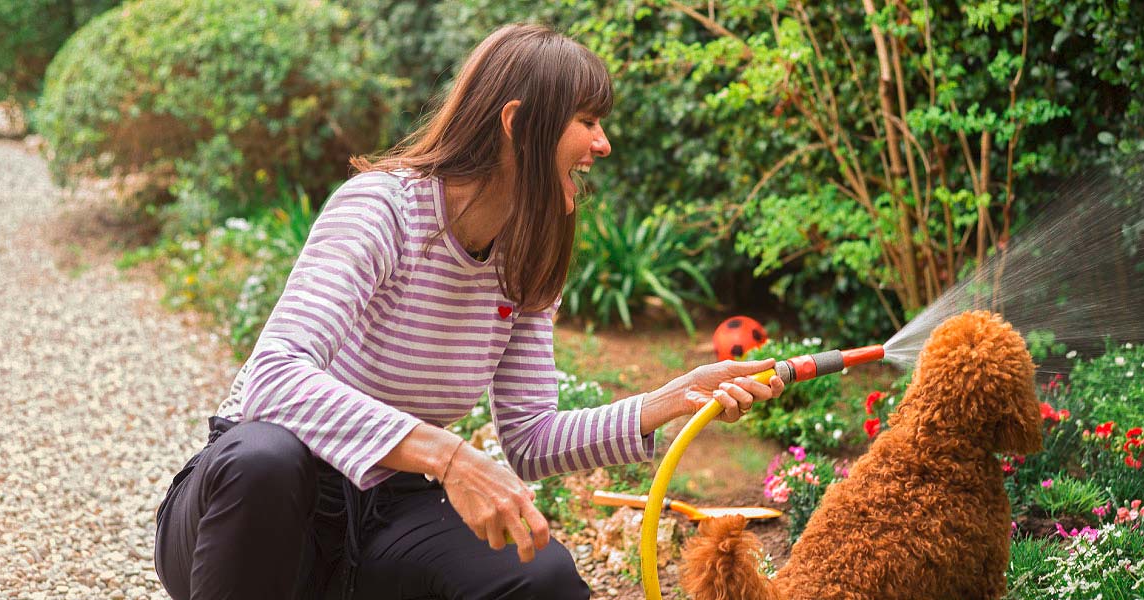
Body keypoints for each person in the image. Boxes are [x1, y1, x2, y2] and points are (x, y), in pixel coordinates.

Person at [153, 23, 785, 600]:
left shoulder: (524, 255)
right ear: (517, 122)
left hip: (380, 514)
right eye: (587, 120)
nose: (603, 142)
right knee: (266, 458)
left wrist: (671, 400)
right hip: (250, 520)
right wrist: (450, 458)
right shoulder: (382, 209)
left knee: (544, 580)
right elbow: (274, 378)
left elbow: (531, 438)